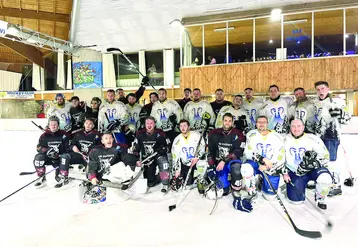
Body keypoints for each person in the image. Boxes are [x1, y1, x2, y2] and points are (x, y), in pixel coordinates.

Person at [283, 119, 332, 210]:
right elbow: (280, 158)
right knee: (296, 201)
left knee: (325, 178)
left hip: (313, 170)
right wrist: (284, 173)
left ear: (303, 127)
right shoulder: (284, 139)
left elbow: (325, 156)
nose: (296, 129)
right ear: (290, 127)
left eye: (299, 126)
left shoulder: (313, 138)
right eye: (293, 126)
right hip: (295, 172)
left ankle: (320, 198)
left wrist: (313, 163)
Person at [313, 81, 351, 196]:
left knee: (331, 161)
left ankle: (336, 185)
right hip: (318, 136)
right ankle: (322, 181)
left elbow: (347, 119)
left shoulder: (337, 102)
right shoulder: (315, 103)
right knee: (320, 160)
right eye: (318, 89)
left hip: (332, 136)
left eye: (323, 88)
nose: (320, 91)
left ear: (328, 89)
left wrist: (339, 115)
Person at [241, 116, 285, 204]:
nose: (261, 124)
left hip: (271, 165)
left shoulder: (277, 137)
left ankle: (264, 181)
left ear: (267, 123)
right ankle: (252, 191)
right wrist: (262, 160)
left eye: (264, 122)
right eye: (259, 122)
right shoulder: (251, 134)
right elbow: (248, 153)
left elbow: (280, 156)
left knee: (270, 197)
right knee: (245, 167)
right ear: (256, 124)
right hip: (256, 163)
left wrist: (267, 165)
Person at [207, 113, 246, 196]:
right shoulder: (214, 133)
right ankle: (227, 185)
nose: (227, 123)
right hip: (220, 163)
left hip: (232, 161)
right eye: (225, 121)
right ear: (222, 121)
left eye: (229, 121)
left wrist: (224, 160)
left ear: (232, 122)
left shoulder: (238, 134)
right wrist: (211, 166)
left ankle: (236, 188)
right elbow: (210, 151)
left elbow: (239, 151)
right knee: (224, 190)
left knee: (236, 168)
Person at [56, 118, 102, 188]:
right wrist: (73, 147)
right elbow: (70, 145)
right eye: (86, 123)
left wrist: (92, 151)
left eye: (90, 124)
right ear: (84, 124)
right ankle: (63, 177)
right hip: (79, 155)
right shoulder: (78, 134)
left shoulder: (97, 135)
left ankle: (92, 184)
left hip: (90, 158)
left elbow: (101, 148)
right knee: (65, 157)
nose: (88, 125)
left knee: (91, 175)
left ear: (93, 126)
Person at [131, 116, 170, 193]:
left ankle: (165, 182)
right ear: (145, 124)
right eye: (147, 123)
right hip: (148, 158)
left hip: (158, 155)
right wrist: (136, 160)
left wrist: (164, 149)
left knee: (164, 164)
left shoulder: (160, 132)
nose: (149, 125)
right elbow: (135, 149)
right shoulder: (140, 134)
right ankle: (159, 177)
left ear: (155, 124)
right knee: (150, 183)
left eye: (151, 123)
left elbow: (168, 144)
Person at [33, 116, 70, 188]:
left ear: (58, 125)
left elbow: (67, 148)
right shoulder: (44, 136)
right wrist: (48, 151)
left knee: (58, 177)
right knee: (38, 158)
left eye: (55, 124)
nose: (53, 126)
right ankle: (41, 177)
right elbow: (39, 147)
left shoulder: (64, 135)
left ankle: (63, 177)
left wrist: (59, 154)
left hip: (59, 158)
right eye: (51, 124)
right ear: (49, 125)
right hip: (48, 158)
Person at [171, 119, 207, 190]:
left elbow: (203, 148)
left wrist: (197, 157)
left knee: (202, 164)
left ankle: (200, 180)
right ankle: (191, 178)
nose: (183, 128)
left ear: (189, 127)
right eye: (181, 126)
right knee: (188, 183)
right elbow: (175, 157)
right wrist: (177, 171)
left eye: (185, 125)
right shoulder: (177, 140)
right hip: (186, 163)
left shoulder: (197, 135)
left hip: (196, 161)